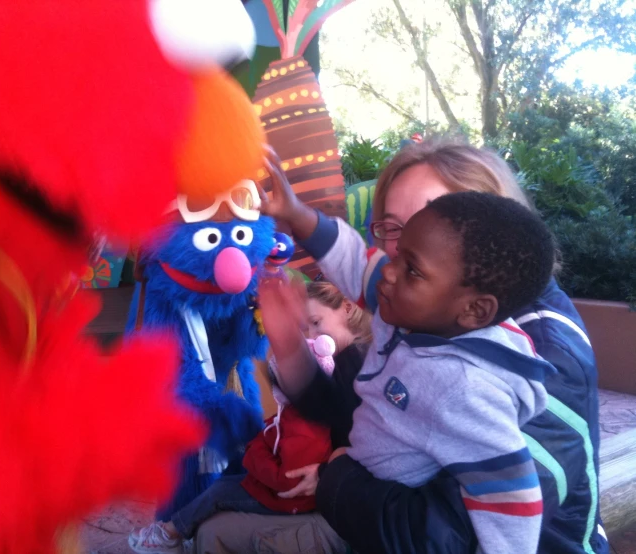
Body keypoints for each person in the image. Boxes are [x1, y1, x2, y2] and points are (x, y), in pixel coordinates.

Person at [194, 139, 607, 554]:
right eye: (393, 229)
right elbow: (359, 268)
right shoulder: (422, 306)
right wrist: (297, 223)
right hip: (365, 506)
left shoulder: (499, 372)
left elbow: (480, 520)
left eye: (425, 224)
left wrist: (337, 478)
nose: (390, 260)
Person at [265, 191, 557, 554]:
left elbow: (511, 501)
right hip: (357, 495)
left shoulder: (464, 390)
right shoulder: (420, 313)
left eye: (412, 269)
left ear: (475, 310)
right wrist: (297, 213)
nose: (388, 269)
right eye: (398, 254)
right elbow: (359, 265)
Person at [129, 282, 372, 554]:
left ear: (348, 309)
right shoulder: (340, 362)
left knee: (223, 492)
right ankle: (174, 531)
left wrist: (255, 455)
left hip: (306, 488)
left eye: (316, 323)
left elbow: (307, 442)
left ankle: (170, 533)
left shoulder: (353, 368)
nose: (313, 335)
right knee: (224, 492)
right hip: (311, 480)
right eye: (307, 328)